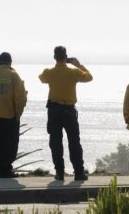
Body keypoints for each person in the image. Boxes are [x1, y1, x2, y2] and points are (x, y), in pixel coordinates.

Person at [38, 46, 93, 181]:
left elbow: (41, 78)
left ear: (54, 57)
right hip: (69, 111)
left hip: (54, 111)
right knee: (74, 142)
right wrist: (79, 65)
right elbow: (89, 77)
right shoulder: (73, 72)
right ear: (66, 56)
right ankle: (79, 173)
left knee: (55, 142)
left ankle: (60, 173)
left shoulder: (49, 72)